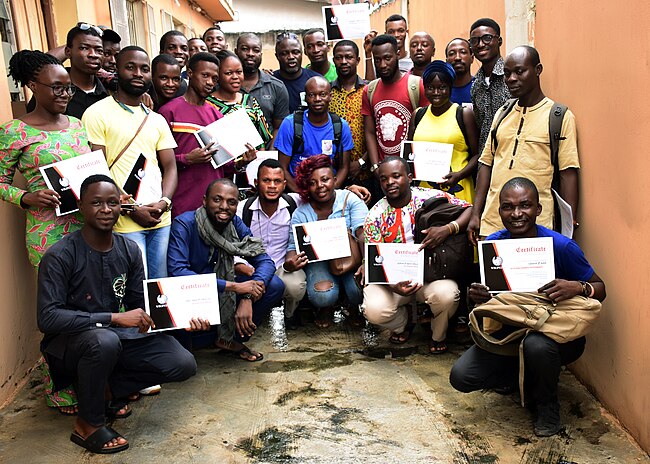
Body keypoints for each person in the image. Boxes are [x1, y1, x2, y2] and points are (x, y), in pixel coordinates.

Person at [37, 174, 197, 454]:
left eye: (112, 202)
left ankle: (107, 388)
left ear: (122, 206)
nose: (106, 209)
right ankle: (88, 424)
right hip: (68, 346)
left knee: (182, 362)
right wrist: (112, 318)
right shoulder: (60, 255)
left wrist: (183, 318)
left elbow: (141, 309)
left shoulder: (129, 249)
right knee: (104, 341)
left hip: (111, 338)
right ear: (81, 206)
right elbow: (48, 318)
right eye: (96, 202)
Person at [451, 177, 606, 437]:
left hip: (555, 333)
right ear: (499, 211)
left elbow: (600, 288)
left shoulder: (561, 246)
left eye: (525, 205)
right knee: (462, 377)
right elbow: (491, 297)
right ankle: (516, 375)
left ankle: (546, 405)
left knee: (536, 346)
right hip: (510, 331)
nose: (516, 214)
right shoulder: (495, 246)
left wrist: (578, 287)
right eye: (508, 207)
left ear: (538, 209)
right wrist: (477, 296)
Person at [1, 50, 93, 415]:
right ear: (31, 86)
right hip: (47, 234)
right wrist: (26, 196)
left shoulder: (77, 125)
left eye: (68, 88)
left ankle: (92, 380)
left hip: (85, 229)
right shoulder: (14, 131)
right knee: (59, 313)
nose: (64, 95)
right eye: (56, 87)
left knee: (90, 305)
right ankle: (61, 386)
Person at [83, 46, 178, 279]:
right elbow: (96, 170)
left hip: (160, 218)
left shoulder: (156, 120)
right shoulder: (96, 113)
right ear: (116, 69)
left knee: (160, 288)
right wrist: (130, 208)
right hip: (124, 220)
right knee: (135, 286)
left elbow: (170, 167)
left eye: (144, 69)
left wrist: (164, 202)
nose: (138, 73)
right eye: (130, 67)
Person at [468, 46, 580, 240]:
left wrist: (568, 231)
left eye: (519, 71)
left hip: (538, 227)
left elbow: (568, 174)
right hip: (493, 224)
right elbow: (486, 165)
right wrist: (476, 214)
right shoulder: (502, 113)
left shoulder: (559, 116)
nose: (511, 78)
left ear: (537, 70)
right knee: (493, 271)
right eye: (507, 73)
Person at [362, 157, 472, 353]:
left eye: (396, 176)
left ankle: (438, 334)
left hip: (431, 276)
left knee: (447, 295)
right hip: (393, 281)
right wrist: (391, 284)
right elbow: (374, 259)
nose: (390, 182)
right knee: (373, 309)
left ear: (410, 177)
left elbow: (469, 210)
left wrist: (449, 228)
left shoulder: (429, 198)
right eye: (384, 179)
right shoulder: (375, 215)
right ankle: (401, 325)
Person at [168, 178, 284, 361]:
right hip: (191, 295)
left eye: (231, 202)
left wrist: (247, 296)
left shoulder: (235, 224)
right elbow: (178, 272)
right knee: (185, 362)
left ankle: (230, 340)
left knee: (275, 284)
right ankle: (202, 340)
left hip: (220, 291)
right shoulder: (184, 224)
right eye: (217, 200)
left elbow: (265, 261)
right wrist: (234, 287)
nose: (224, 207)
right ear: (205, 201)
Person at [158, 52, 256, 218]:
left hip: (213, 210)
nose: (210, 82)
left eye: (214, 78)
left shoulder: (216, 115)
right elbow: (157, 161)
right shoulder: (169, 112)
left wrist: (241, 163)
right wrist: (187, 159)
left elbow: (224, 166)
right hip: (180, 207)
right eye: (205, 76)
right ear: (189, 73)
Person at [284, 155, 368, 328]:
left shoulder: (350, 199)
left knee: (358, 291)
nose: (320, 186)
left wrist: (366, 262)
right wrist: (290, 262)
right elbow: (293, 246)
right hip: (319, 262)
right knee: (323, 296)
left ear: (335, 180)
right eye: (313, 182)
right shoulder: (301, 213)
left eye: (325, 179)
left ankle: (352, 307)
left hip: (351, 258)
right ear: (307, 186)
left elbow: (362, 233)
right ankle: (326, 307)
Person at [235, 159, 305, 329]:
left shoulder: (295, 203)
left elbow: (325, 194)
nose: (272, 186)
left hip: (283, 266)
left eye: (277, 181)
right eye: (266, 180)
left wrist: (351, 190)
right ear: (256, 183)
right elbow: (232, 244)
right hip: (251, 267)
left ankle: (290, 314)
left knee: (295, 286)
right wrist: (240, 264)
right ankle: (257, 312)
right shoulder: (242, 209)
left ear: (284, 184)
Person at [362, 34, 428, 202]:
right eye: (377, 60)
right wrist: (376, 166)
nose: (382, 65)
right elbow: (369, 131)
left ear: (398, 54)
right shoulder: (369, 90)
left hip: (412, 172)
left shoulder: (416, 86)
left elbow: (427, 127)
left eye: (387, 58)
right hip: (383, 175)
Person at [407, 61, 479, 204]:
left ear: (450, 87)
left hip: (457, 189)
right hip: (424, 192)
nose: (436, 93)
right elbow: (410, 153)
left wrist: (459, 175)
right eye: (430, 88)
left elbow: (478, 155)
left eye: (442, 88)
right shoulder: (418, 115)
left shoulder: (463, 114)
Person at [275, 76, 353, 192]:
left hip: (327, 192)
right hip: (297, 192)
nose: (317, 99)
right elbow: (282, 168)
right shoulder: (290, 124)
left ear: (330, 96)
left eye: (322, 94)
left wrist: (329, 193)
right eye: (312, 95)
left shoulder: (341, 126)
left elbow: (344, 167)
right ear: (305, 98)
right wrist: (302, 195)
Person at [28, 23, 109, 119]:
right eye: (84, 48)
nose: (93, 54)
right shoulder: (53, 91)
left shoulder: (110, 92)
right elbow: (42, 67)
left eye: (99, 50)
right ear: (67, 51)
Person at [206, 51, 271, 147]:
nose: (235, 77)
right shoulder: (208, 105)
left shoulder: (250, 101)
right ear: (217, 75)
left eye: (239, 72)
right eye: (229, 73)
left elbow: (261, 140)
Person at [329, 40, 368, 188]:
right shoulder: (327, 93)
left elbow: (375, 133)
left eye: (349, 57)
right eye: (339, 57)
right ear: (334, 60)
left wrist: (362, 162)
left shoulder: (368, 90)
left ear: (357, 60)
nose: (344, 61)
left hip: (366, 171)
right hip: (335, 172)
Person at [469, 18, 511, 155]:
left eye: (487, 38)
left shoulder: (512, 77)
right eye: (475, 40)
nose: (480, 44)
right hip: (485, 164)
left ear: (499, 41)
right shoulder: (475, 85)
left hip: (511, 161)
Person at [273, 32, 320, 113]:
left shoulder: (316, 81)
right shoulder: (270, 83)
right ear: (277, 56)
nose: (291, 57)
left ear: (301, 53)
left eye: (295, 52)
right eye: (284, 53)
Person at [363, 14, 413, 81]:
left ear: (406, 32)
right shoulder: (380, 62)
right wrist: (368, 53)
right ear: (385, 34)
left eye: (400, 31)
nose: (396, 35)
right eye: (391, 32)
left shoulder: (413, 60)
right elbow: (370, 86)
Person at [445, 38, 474, 106]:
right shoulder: (440, 91)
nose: (457, 58)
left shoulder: (480, 88)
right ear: (446, 61)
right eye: (452, 54)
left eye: (463, 52)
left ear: (472, 58)